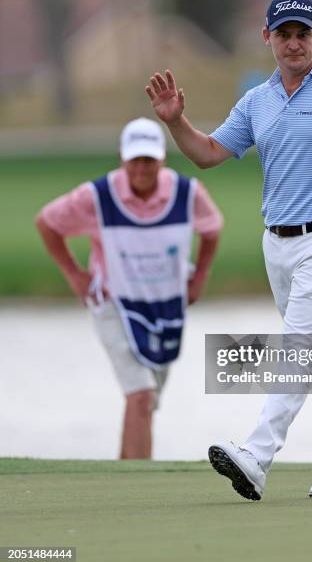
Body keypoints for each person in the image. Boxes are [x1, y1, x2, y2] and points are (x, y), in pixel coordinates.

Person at [145, 0, 312, 498]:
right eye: (283, 34)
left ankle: (257, 456)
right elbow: (209, 153)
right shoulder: (257, 101)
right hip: (277, 244)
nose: (293, 43)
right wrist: (175, 122)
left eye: (303, 33)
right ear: (268, 39)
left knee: (298, 349)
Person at [36, 117, 223, 459]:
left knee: (147, 400)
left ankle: (124, 473)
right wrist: (75, 276)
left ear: (162, 158)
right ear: (123, 158)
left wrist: (199, 278)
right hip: (113, 305)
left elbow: (212, 228)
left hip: (166, 307)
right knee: (141, 393)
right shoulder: (97, 196)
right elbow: (47, 222)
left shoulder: (187, 192)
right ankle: (141, 480)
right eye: (135, 159)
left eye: (148, 159)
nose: (141, 168)